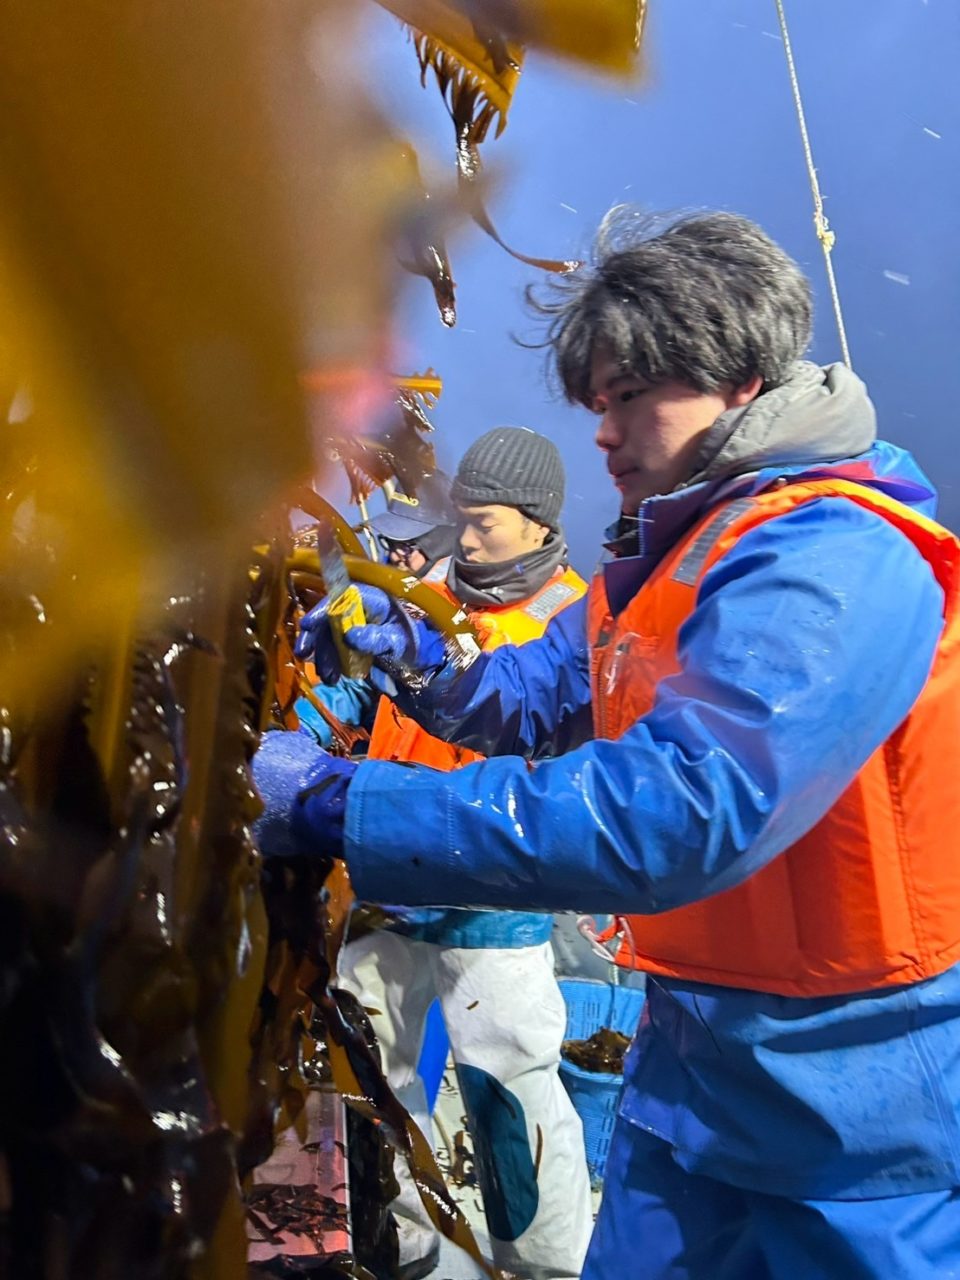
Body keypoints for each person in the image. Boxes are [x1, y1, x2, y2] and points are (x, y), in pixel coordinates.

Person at [255, 209, 960, 1279]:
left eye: (628, 395)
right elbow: (529, 695)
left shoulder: (836, 554)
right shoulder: (665, 566)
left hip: (858, 1109)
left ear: (736, 376)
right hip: (695, 1078)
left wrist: (339, 805)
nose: (601, 430)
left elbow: (680, 809)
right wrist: (404, 646)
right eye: (596, 401)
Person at [262, 431, 593, 1280]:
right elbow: (349, 687)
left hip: (494, 888)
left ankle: (546, 1265)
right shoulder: (415, 595)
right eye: (463, 521)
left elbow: (554, 735)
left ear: (536, 523)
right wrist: (276, 744)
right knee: (378, 1066)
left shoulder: (570, 616)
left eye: (484, 523)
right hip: (387, 865)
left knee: (507, 1075)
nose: (469, 539)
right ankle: (413, 1245)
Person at [294, 472, 456, 747]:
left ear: (438, 544)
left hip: (450, 778)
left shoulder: (469, 614)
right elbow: (361, 686)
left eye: (405, 546)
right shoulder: (384, 597)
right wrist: (299, 726)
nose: (393, 555)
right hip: (385, 771)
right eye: (390, 543)